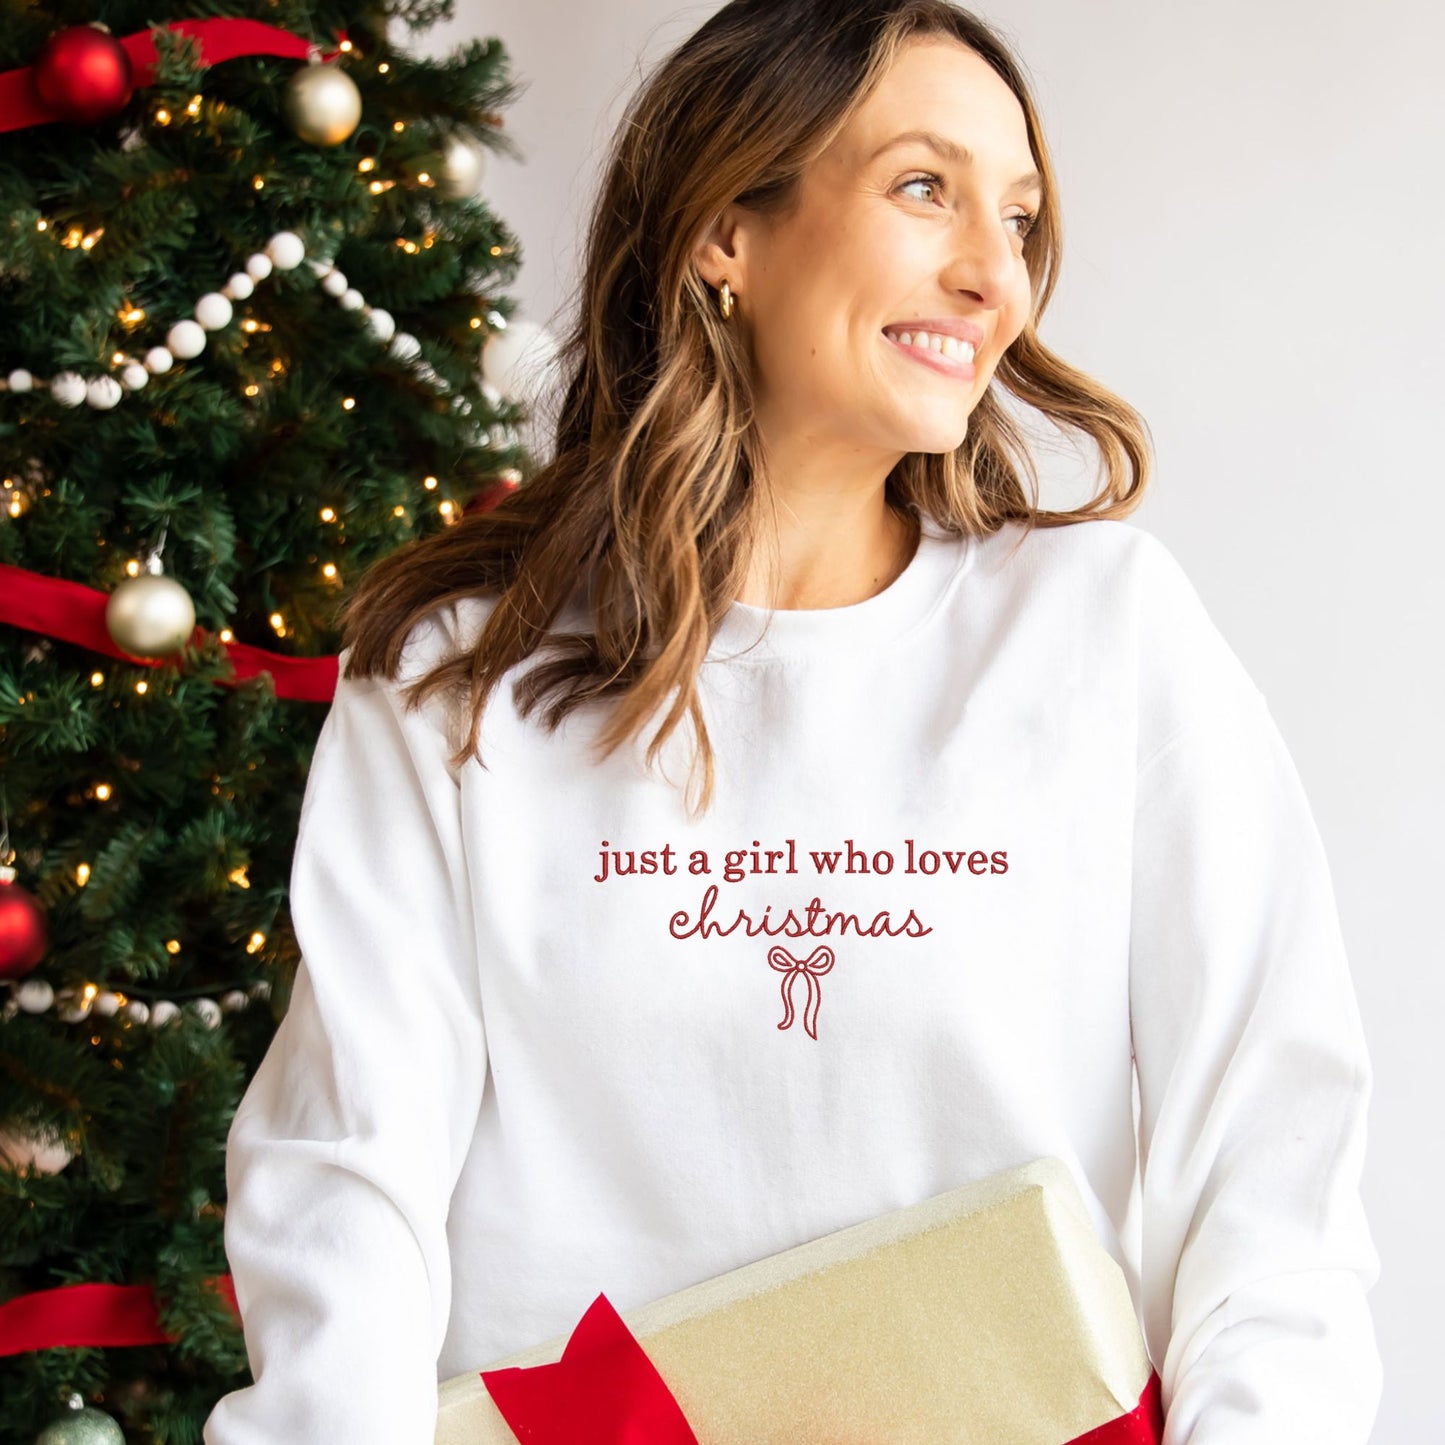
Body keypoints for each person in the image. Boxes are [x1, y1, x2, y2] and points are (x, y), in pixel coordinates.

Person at [202, 2, 1382, 1440]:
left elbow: (1271, 1165)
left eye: (1016, 221)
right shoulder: (466, 676)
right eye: (922, 187)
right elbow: (343, 1182)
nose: (990, 278)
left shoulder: (1102, 632)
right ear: (725, 232)